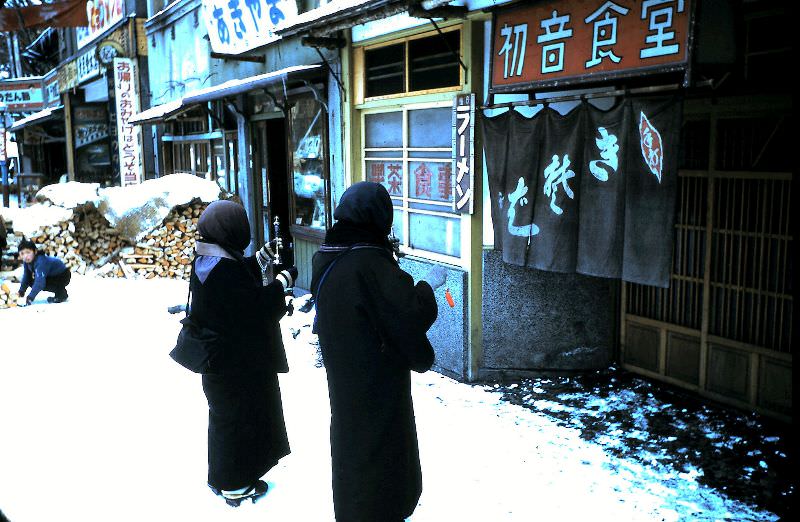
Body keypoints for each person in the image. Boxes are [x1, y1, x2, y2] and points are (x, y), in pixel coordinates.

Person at [311, 182, 447, 522]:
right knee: (382, 450)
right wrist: (428, 286)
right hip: (376, 379)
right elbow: (405, 314)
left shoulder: (331, 252)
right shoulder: (368, 261)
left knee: (351, 445)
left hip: (344, 376)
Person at [190, 199, 296, 507]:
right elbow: (256, 310)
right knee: (239, 422)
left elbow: (238, 279)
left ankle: (222, 477)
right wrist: (281, 283)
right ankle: (236, 485)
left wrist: (260, 258)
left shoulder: (209, 256)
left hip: (219, 360)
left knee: (225, 421)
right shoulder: (222, 269)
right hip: (235, 363)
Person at [17, 239, 71, 305]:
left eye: (28, 252)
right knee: (31, 281)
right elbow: (26, 276)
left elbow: (40, 283)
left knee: (41, 282)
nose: (25, 256)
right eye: (22, 253)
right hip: (51, 275)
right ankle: (60, 292)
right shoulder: (27, 261)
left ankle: (61, 295)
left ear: (35, 252)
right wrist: (21, 291)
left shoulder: (40, 261)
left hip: (62, 275)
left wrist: (30, 297)